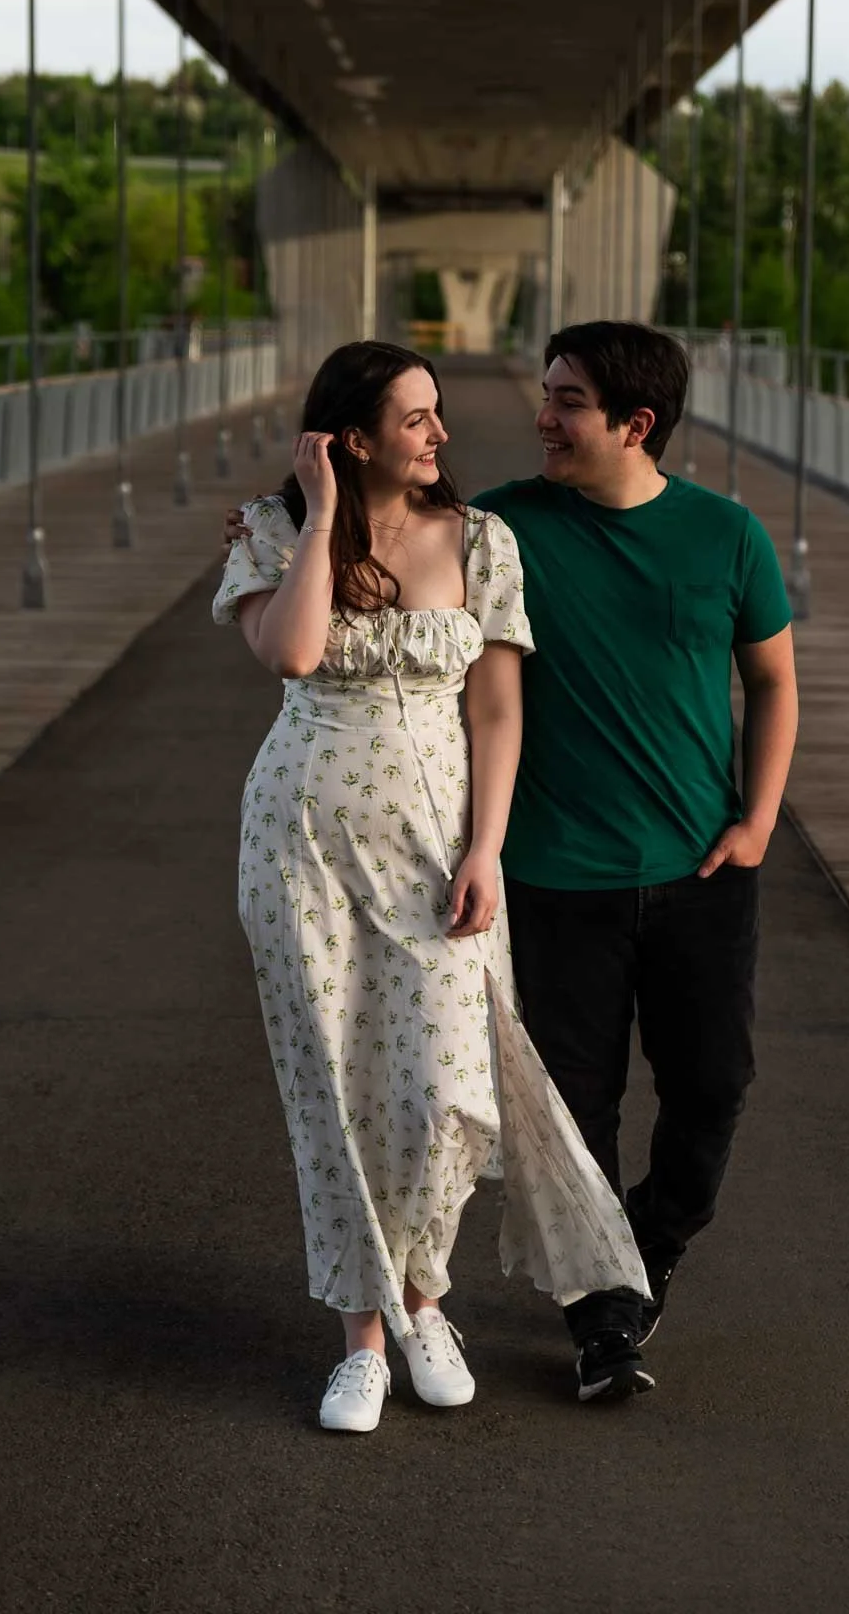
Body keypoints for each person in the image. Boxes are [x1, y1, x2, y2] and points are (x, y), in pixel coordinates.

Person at [211, 340, 649, 1435]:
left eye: (437, 414)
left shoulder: (483, 541)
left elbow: (497, 712)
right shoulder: (274, 534)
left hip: (437, 845)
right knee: (332, 1086)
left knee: (441, 1093)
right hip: (301, 841)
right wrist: (318, 517)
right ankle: (363, 1334)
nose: (441, 434)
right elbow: (297, 655)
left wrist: (485, 848)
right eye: (415, 419)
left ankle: (426, 1300)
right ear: (351, 437)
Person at [468, 321, 798, 1383]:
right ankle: (603, 1314)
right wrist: (291, 515)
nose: (543, 417)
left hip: (701, 875)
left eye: (566, 400)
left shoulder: (725, 536)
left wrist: (755, 820)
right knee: (576, 1110)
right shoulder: (504, 527)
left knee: (713, 1086)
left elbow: (773, 682)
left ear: (634, 424)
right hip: (556, 876)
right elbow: (386, 530)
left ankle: (644, 1245)